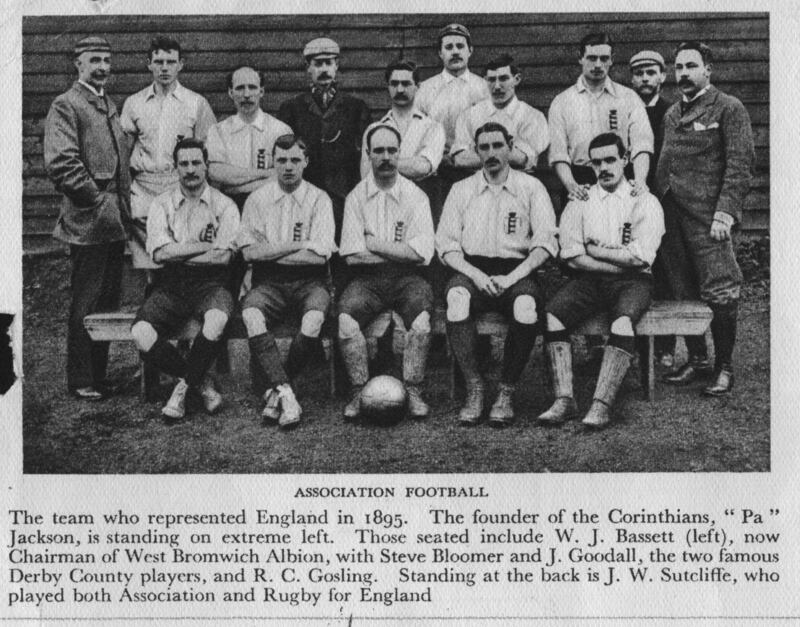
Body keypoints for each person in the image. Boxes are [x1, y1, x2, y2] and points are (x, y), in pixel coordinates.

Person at [538, 133, 664, 429]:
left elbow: (641, 258)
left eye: (610, 160)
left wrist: (594, 249)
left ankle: (601, 404)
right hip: (591, 280)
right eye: (597, 163)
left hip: (634, 283)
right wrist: (613, 260)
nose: (604, 167)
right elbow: (570, 255)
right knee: (553, 316)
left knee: (622, 323)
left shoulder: (643, 200)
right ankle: (564, 399)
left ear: (624, 160)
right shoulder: (581, 199)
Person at [436, 122, 557, 426]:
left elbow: (545, 243)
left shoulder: (531, 187)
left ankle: (506, 391)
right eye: (484, 147)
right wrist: (475, 275)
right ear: (476, 151)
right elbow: (447, 245)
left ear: (510, 145)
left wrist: (512, 277)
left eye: (497, 145)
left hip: (516, 270)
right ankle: (475, 387)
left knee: (526, 308)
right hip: (472, 269)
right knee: (456, 298)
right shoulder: (461, 189)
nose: (491, 153)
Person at [656, 41, 755, 396]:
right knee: (683, 291)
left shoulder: (729, 108)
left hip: (708, 221)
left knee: (721, 292)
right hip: (671, 221)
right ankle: (697, 361)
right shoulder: (671, 115)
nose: (683, 73)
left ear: (708, 70)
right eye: (679, 67)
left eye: (691, 66)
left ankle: (724, 366)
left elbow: (740, 165)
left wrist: (725, 212)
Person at [44, 36, 131, 400]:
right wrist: (97, 201)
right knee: (87, 301)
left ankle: (98, 375)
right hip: (89, 220)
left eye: (107, 60)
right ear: (77, 63)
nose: (103, 67)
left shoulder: (106, 103)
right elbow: (62, 164)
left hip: (114, 221)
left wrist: (119, 209)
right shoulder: (67, 105)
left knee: (108, 301)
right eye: (94, 59)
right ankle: (81, 379)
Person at [130, 138, 239, 420]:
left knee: (216, 320)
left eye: (196, 163)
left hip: (212, 284)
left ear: (206, 166)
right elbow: (160, 254)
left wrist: (179, 251)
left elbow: (223, 258)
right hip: (171, 285)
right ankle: (198, 381)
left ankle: (181, 390)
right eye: (184, 164)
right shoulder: (161, 204)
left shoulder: (224, 205)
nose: (190, 169)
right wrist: (205, 247)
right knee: (141, 333)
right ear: (175, 167)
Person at [237, 135, 336, 429]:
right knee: (251, 314)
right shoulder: (258, 199)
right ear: (272, 163)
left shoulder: (319, 198)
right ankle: (287, 393)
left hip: (311, 282)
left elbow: (319, 258)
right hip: (268, 283)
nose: (288, 166)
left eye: (295, 160)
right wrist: (299, 244)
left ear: (306, 162)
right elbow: (249, 252)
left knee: (314, 320)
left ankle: (276, 391)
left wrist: (271, 251)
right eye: (281, 160)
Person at [337, 125, 435, 421]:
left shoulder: (415, 196)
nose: (386, 157)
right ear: (368, 155)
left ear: (399, 152)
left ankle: (413, 389)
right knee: (344, 321)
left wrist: (373, 242)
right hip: (367, 280)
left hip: (409, 279)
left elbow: (420, 254)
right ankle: (358, 390)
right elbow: (353, 256)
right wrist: (398, 249)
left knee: (421, 323)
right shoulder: (356, 197)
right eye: (378, 151)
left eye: (392, 150)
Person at [121, 36, 216, 270]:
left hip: (180, 184)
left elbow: (208, 152)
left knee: (180, 243)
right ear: (149, 64)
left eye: (170, 62)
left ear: (180, 64)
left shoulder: (196, 103)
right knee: (151, 253)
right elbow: (123, 151)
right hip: (144, 186)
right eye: (159, 61)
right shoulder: (134, 103)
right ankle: (152, 294)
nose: (164, 68)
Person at [278, 37, 371, 243]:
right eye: (317, 64)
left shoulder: (356, 107)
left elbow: (365, 158)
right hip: (305, 193)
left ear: (337, 65)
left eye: (329, 63)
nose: (324, 69)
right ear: (307, 68)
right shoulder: (291, 108)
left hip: (344, 195)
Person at [548, 32, 654, 201]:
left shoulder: (628, 97)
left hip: (620, 179)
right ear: (580, 58)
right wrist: (572, 185)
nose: (598, 64)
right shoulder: (562, 102)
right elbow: (558, 154)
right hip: (580, 181)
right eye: (591, 58)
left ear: (611, 60)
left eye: (604, 58)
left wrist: (640, 180)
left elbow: (642, 144)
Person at [416, 23, 490, 224]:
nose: (455, 52)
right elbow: (418, 133)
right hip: (437, 175)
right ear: (440, 53)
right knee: (441, 225)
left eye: (460, 46)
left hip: (475, 172)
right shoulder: (425, 89)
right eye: (449, 47)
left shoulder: (485, 89)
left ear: (470, 51)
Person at [629, 49, 676, 366]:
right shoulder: (626, 108)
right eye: (639, 73)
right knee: (632, 267)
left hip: (664, 200)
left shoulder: (672, 111)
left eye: (651, 72)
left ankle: (665, 348)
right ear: (631, 78)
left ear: (662, 76)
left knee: (665, 270)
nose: (645, 79)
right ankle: (629, 344)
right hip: (632, 199)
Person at [206, 66, 293, 211]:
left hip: (271, 207)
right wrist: (266, 174)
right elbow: (216, 172)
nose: (246, 94)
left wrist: (236, 184)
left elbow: (283, 174)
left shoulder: (280, 130)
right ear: (230, 92)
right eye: (240, 88)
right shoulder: (218, 131)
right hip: (230, 207)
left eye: (252, 87)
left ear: (262, 91)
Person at [451, 53, 548, 173]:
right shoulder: (469, 115)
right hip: (477, 185)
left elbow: (521, 159)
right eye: (491, 80)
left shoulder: (533, 117)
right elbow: (460, 159)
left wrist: (477, 155)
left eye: (503, 78)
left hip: (518, 185)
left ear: (516, 79)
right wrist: (504, 154)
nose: (497, 86)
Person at [359, 60, 445, 184]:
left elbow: (422, 167)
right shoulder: (374, 130)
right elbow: (366, 175)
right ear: (388, 87)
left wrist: (381, 164)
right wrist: (406, 164)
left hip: (420, 198)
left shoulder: (433, 127)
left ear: (418, 86)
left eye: (406, 84)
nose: (399, 90)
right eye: (394, 84)